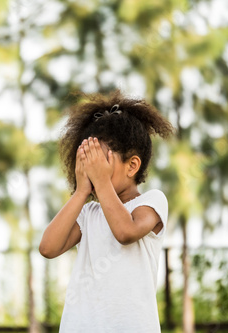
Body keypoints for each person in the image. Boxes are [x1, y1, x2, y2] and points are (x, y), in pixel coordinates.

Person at [39, 89, 175, 332]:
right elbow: (48, 248)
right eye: (88, 164)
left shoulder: (152, 203)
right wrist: (81, 192)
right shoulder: (88, 212)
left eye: (100, 163)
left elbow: (125, 232)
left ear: (132, 165)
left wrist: (100, 182)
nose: (94, 172)